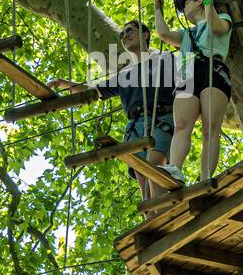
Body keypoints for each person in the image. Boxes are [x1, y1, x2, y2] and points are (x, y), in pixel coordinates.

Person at [50, 20, 180, 206]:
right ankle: (151, 220)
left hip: (161, 117)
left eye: (129, 31)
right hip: (136, 124)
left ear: (145, 35)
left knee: (154, 166)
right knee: (142, 177)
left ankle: (164, 215)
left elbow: (187, 84)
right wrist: (64, 83)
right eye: (121, 35)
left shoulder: (166, 58)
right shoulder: (124, 75)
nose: (124, 36)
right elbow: (92, 92)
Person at [153, 0, 233, 183]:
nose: (183, 8)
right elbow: (164, 34)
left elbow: (216, 28)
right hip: (188, 72)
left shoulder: (223, 19)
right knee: (181, 124)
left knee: (210, 127)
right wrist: (157, 8)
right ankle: (175, 168)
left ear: (199, 2)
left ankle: (206, 176)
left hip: (212, 69)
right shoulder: (187, 34)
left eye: (186, 3)